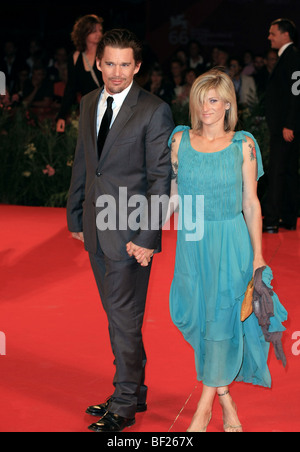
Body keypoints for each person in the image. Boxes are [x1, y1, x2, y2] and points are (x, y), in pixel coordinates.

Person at [66, 28, 174, 433]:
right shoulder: (88, 102)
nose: (116, 71)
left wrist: (147, 237)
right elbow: (84, 162)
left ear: (138, 66)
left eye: (125, 64)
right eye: (109, 62)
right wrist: (75, 215)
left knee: (123, 317)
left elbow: (160, 180)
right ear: (98, 62)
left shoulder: (153, 110)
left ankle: (126, 401)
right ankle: (135, 389)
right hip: (95, 227)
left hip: (130, 233)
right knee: (117, 315)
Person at [169, 69, 287, 432]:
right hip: (191, 242)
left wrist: (258, 255)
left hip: (231, 241)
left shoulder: (243, 144)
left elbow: (251, 203)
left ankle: (204, 408)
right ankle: (225, 396)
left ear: (227, 106)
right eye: (202, 99)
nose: (207, 107)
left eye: (215, 100)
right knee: (196, 317)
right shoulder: (178, 141)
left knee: (220, 321)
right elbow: (173, 196)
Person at [263, 18, 300, 233]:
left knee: (278, 171)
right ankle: (287, 217)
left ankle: (272, 220)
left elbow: (297, 94)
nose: (269, 37)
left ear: (285, 35)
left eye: (272, 33)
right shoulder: (287, 57)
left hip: (286, 128)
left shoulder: (292, 57)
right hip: (284, 126)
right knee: (287, 171)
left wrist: (290, 124)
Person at [56, 14, 104, 132]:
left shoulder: (106, 53)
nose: (98, 34)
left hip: (108, 108)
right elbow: (70, 89)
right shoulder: (75, 57)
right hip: (88, 111)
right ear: (84, 33)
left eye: (100, 30)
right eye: (94, 31)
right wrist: (62, 115)